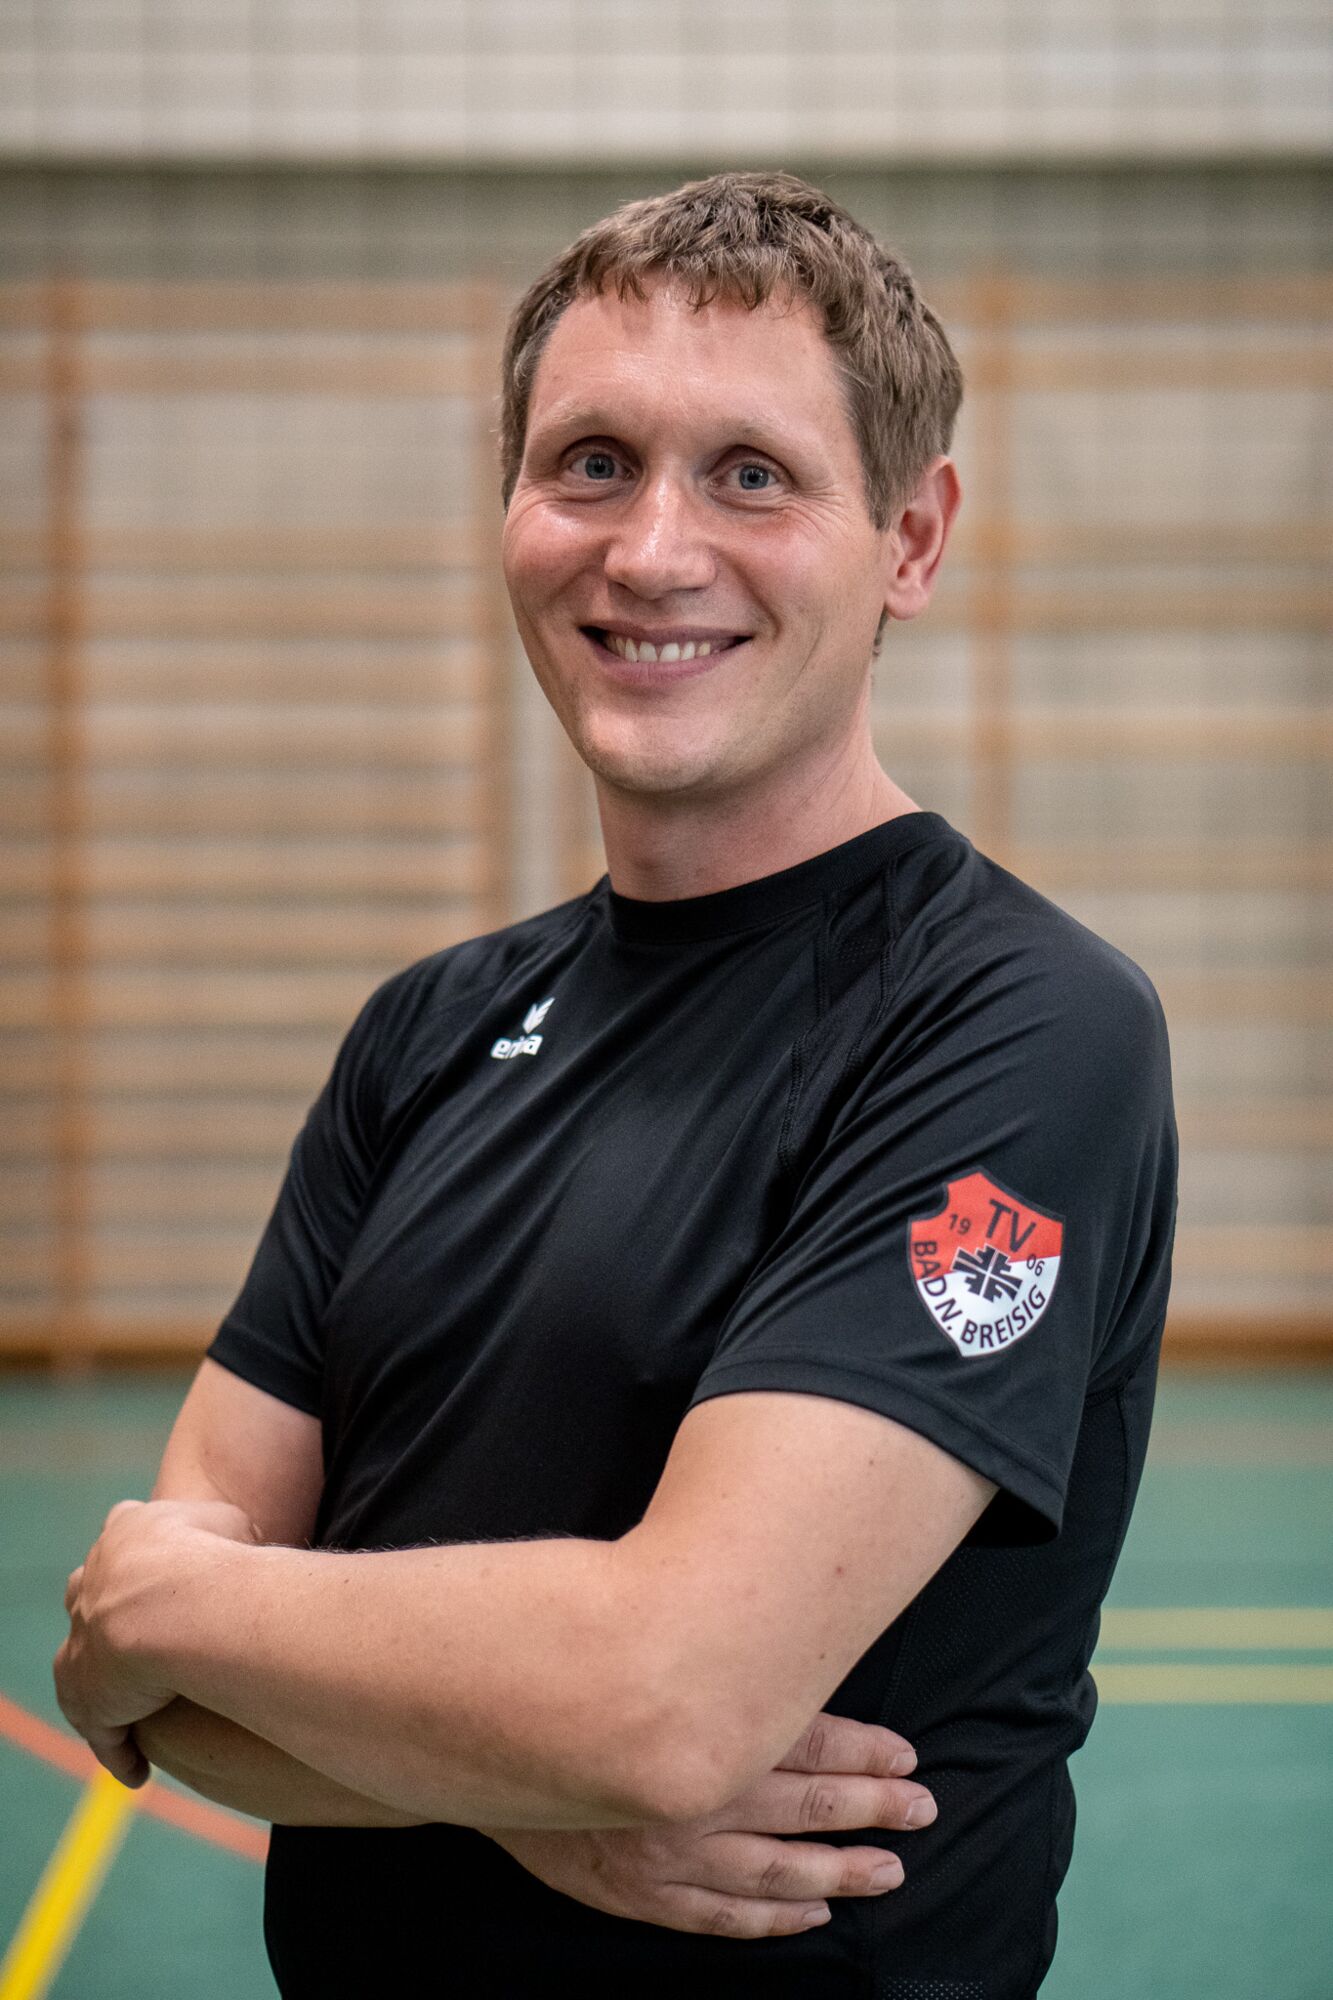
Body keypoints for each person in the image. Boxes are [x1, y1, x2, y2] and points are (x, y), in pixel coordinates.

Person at [55, 171, 1177, 1998]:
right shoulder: (424, 1032)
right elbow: (176, 1713)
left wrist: (186, 1605)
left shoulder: (1018, 1023)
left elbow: (660, 1700)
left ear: (907, 539)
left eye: (750, 475)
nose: (651, 551)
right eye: (590, 463)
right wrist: (521, 1791)